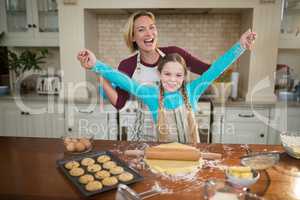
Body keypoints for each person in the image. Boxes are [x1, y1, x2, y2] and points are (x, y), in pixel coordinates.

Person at [78, 30, 256, 143]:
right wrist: (95, 64)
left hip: (191, 156)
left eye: (178, 75)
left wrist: (241, 46)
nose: (172, 80)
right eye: (167, 74)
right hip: (163, 157)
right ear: (160, 74)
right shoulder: (150, 94)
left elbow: (216, 69)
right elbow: (124, 80)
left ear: (184, 76)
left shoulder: (192, 90)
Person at [78, 11, 211, 110]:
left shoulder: (174, 53)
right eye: (141, 30)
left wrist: (230, 58)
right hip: (143, 133)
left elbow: (208, 71)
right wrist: (95, 69)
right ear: (133, 37)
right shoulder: (128, 65)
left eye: (152, 27)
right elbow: (119, 103)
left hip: (175, 128)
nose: (149, 33)